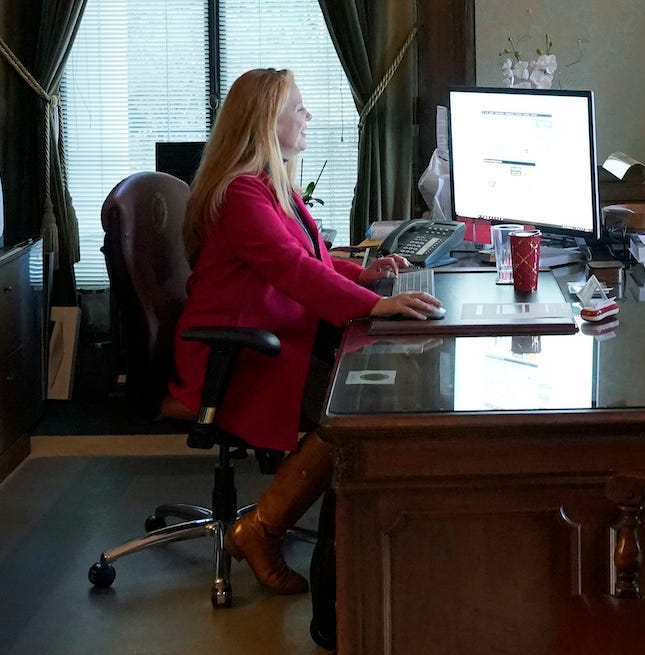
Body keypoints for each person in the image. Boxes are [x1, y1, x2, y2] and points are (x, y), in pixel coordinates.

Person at [167, 68, 440, 596]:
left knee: (361, 398)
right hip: (234, 355)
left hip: (268, 338)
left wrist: (364, 275)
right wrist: (380, 304)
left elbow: (307, 259)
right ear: (267, 122)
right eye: (298, 107)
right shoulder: (242, 195)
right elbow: (293, 272)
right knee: (349, 416)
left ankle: (271, 525)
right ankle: (261, 530)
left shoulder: (268, 186)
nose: (308, 116)